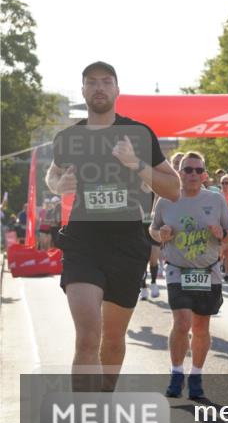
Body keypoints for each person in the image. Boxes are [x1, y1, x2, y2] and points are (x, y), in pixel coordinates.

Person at [46, 61, 180, 391]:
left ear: (117, 90)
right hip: (83, 242)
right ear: (83, 91)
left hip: (127, 243)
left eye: (106, 81)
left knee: (113, 341)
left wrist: (136, 164)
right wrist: (58, 184)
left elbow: (173, 188)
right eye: (91, 82)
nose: (99, 87)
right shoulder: (69, 137)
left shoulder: (138, 133)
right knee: (88, 337)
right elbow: (53, 174)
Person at [151, 152, 228, 399]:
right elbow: (153, 230)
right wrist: (160, 233)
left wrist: (221, 233)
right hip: (178, 269)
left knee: (201, 327)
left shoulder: (216, 200)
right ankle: (176, 373)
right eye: (187, 170)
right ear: (180, 173)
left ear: (204, 175)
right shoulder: (166, 200)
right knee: (182, 323)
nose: (193, 174)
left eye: (198, 170)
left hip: (208, 271)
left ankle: (195, 375)